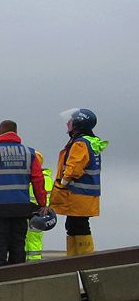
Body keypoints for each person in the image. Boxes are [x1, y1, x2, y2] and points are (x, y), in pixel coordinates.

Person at [0, 120, 48, 268]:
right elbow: (38, 180)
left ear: (0, 132)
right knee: (18, 240)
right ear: (16, 132)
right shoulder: (30, 153)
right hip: (21, 206)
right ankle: (17, 271)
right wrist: (42, 204)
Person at [51, 108, 105, 256]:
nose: (68, 123)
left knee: (79, 226)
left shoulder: (80, 144)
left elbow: (74, 168)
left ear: (79, 124)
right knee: (73, 226)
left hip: (78, 195)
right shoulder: (89, 142)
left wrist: (62, 184)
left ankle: (83, 259)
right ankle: (74, 260)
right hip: (84, 195)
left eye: (71, 120)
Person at [26, 166, 55, 261]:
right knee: (30, 240)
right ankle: (30, 262)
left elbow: (45, 197)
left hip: (37, 214)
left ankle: (33, 262)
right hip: (34, 213)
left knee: (33, 240)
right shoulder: (45, 177)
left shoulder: (43, 177)